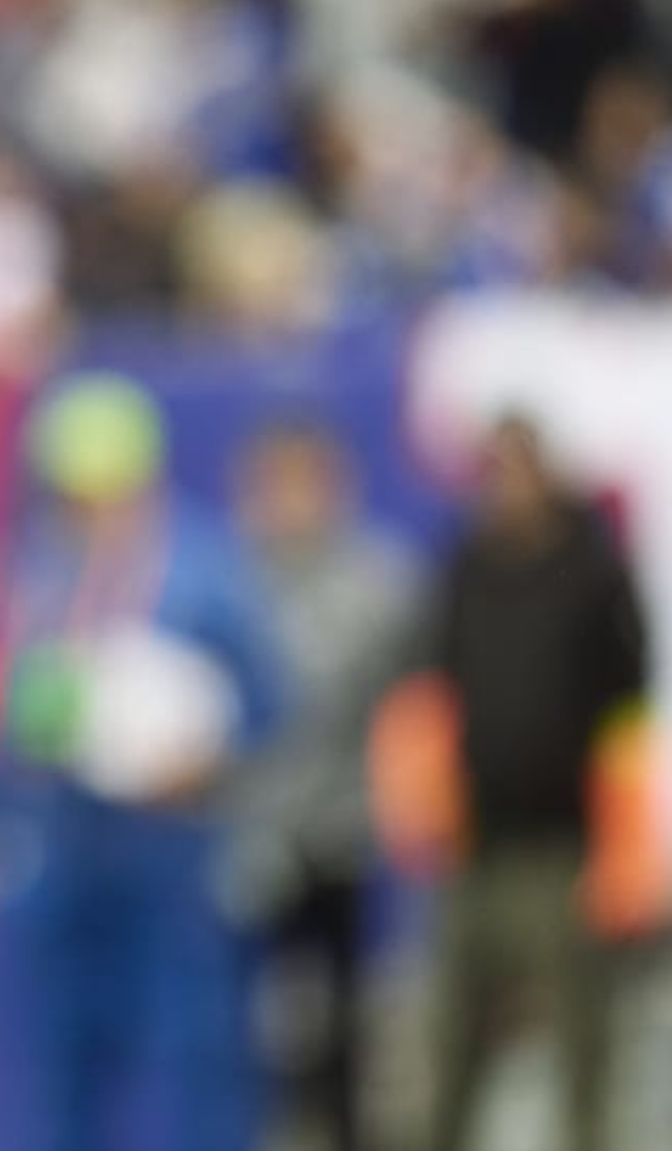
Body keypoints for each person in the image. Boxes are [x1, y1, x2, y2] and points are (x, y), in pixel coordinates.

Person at [0, 373, 282, 1151]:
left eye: (103, 492)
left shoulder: (205, 573)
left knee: (195, 1060)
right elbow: (7, 705)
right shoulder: (36, 568)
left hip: (171, 850)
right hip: (65, 841)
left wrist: (211, 763)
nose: (88, 511)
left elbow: (269, 705)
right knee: (61, 1061)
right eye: (72, 493)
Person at [414, 413, 655, 1151]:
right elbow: (438, 696)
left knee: (583, 1042)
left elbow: (630, 714)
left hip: (564, 846)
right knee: (452, 1044)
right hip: (479, 844)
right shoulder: (467, 570)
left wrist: (621, 849)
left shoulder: (593, 575)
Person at [219, 416, 418, 1151]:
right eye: (279, 486)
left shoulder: (376, 581)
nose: (292, 504)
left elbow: (410, 693)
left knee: (342, 1016)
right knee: (251, 1022)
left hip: (339, 833)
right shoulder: (231, 581)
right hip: (249, 840)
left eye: (307, 485)